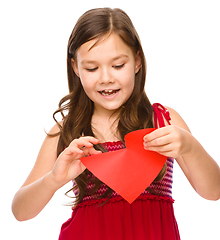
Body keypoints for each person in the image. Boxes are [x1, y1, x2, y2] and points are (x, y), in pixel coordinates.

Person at [12, 8, 220, 240]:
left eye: (118, 65)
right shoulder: (66, 131)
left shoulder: (163, 120)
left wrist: (191, 147)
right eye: (92, 68)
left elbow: (213, 192)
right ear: (75, 68)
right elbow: (20, 211)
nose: (106, 78)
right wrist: (53, 179)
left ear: (137, 61)